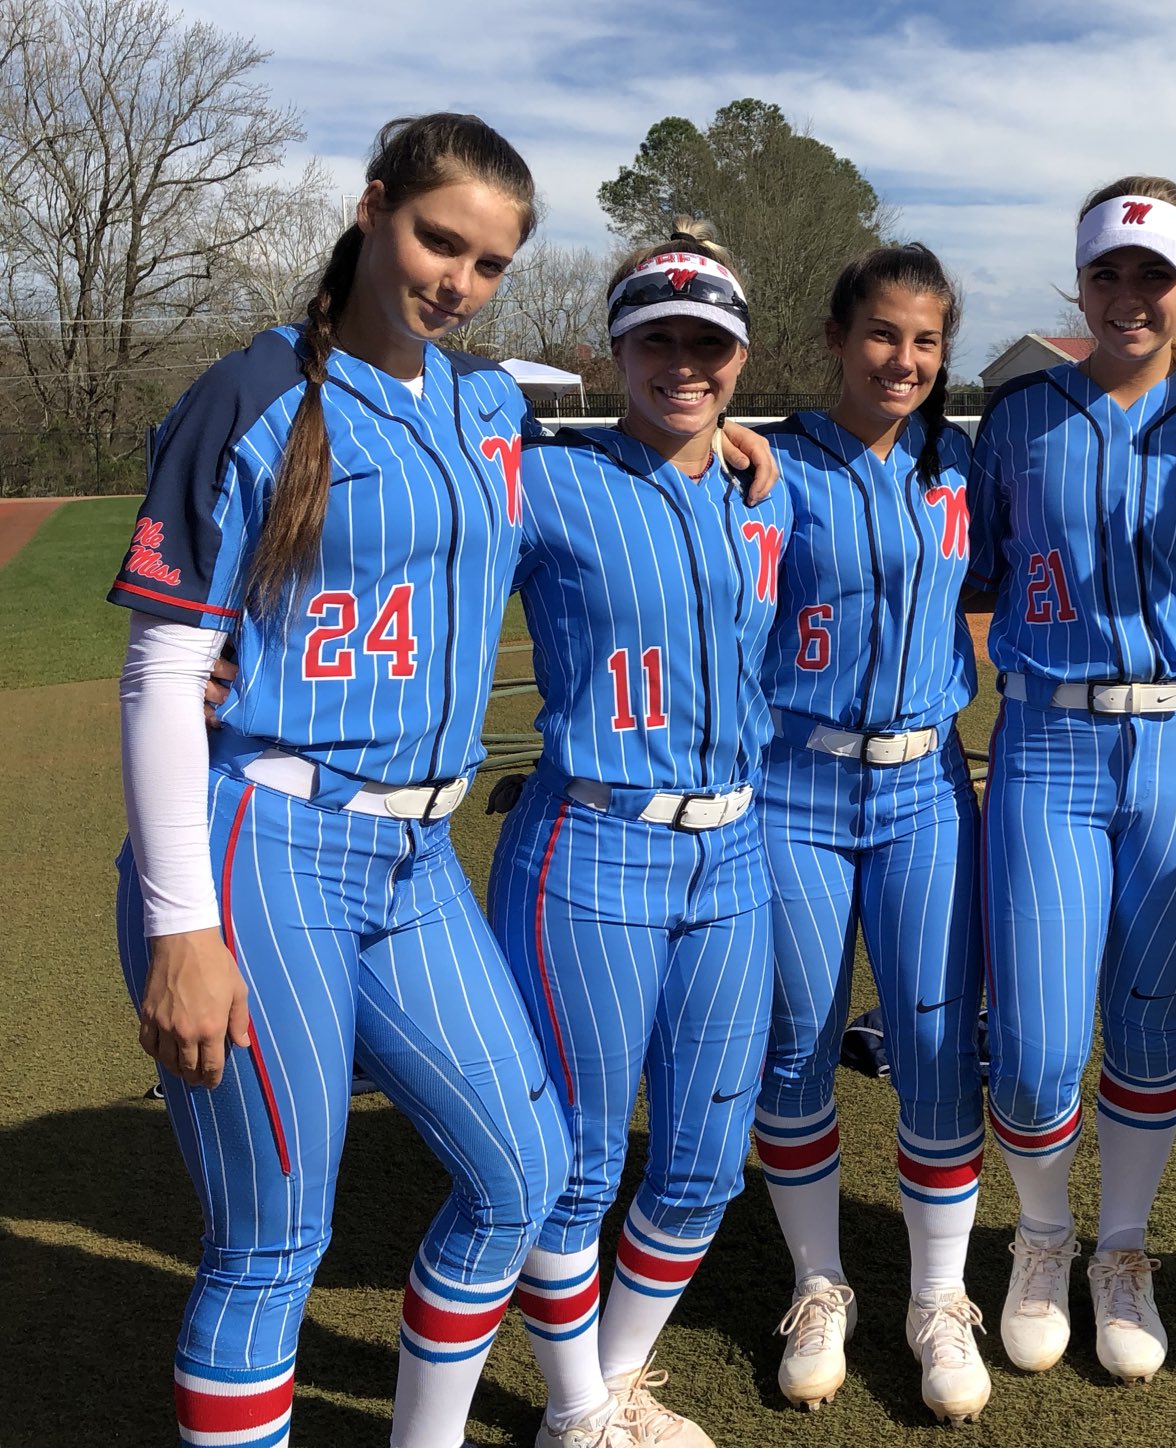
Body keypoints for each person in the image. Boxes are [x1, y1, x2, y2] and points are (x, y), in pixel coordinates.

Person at [110, 113, 573, 1448]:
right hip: (269, 849)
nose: (456, 279)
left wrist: (714, 442)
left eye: (487, 263)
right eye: (438, 239)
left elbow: (570, 500)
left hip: (420, 863)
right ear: (373, 210)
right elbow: (158, 671)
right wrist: (182, 926)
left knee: (523, 1174)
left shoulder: (485, 403)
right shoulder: (254, 390)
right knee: (272, 1243)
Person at [967, 175, 1176, 1384]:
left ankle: (1122, 1249)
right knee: (1042, 1043)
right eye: (1108, 273)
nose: (1129, 296)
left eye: (1154, 276)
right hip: (1047, 738)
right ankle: (1040, 1240)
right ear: (1080, 282)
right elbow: (958, 551)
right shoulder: (1016, 415)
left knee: (1149, 1023)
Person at [486, 226, 790, 1448]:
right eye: (658, 337)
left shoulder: (772, 488)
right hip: (592, 843)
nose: (684, 362)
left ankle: (605, 1388)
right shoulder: (541, 477)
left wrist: (740, 448)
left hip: (735, 853)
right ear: (617, 350)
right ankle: (576, 1410)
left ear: (740, 355)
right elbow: (408, 530)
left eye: (707, 342)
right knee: (576, 1154)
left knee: (709, 1155)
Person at [748, 244, 988, 1425]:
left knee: (936, 1042)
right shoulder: (768, 464)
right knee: (795, 1036)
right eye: (885, 334)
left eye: (928, 341)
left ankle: (937, 1296)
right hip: (793, 782)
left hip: (926, 787)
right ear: (839, 336)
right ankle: (819, 1279)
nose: (905, 360)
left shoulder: (959, 463)